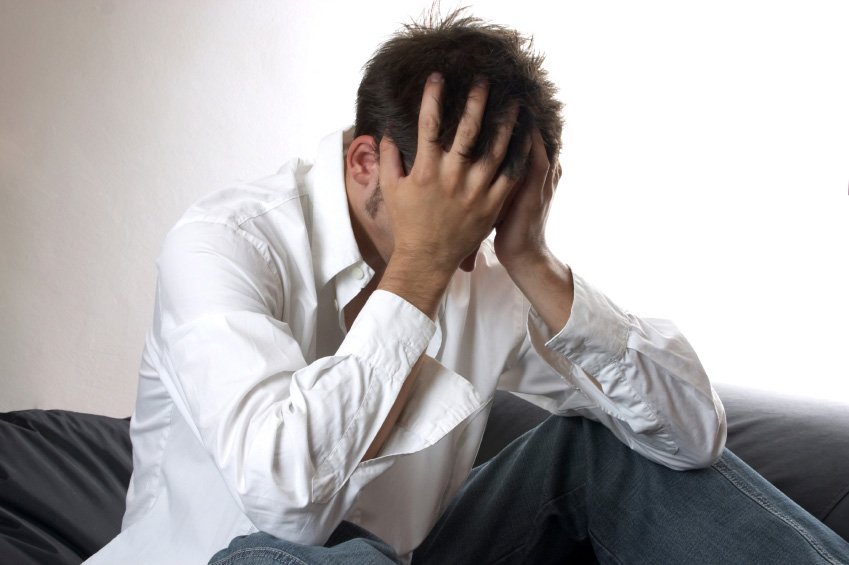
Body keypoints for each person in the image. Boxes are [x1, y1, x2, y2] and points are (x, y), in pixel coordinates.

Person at [87, 9, 849, 565]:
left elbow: (692, 435)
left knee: (598, 442)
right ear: (365, 163)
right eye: (450, 197)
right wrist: (417, 268)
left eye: (486, 208)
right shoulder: (223, 244)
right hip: (234, 557)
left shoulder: (482, 262)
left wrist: (533, 259)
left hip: (408, 556)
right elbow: (285, 502)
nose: (466, 239)